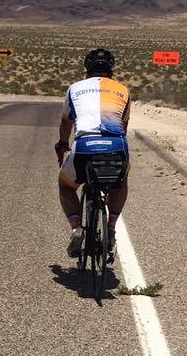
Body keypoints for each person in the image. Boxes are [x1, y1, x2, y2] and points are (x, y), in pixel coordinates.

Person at [54, 48, 131, 262]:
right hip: (116, 144)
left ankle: (77, 228)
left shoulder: (75, 88)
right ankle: (112, 228)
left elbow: (65, 122)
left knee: (66, 185)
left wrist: (62, 143)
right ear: (111, 70)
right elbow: (123, 125)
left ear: (87, 69)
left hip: (85, 145)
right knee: (121, 181)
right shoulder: (123, 90)